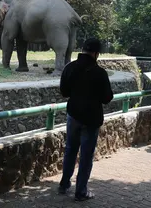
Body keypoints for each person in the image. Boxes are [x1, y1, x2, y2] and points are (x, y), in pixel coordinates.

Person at [58, 37, 114, 201]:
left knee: (70, 149)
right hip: (91, 119)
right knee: (86, 155)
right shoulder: (100, 73)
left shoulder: (70, 68)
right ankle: (81, 191)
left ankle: (64, 184)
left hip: (73, 115)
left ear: (83, 50)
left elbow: (64, 91)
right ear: (96, 54)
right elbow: (106, 98)